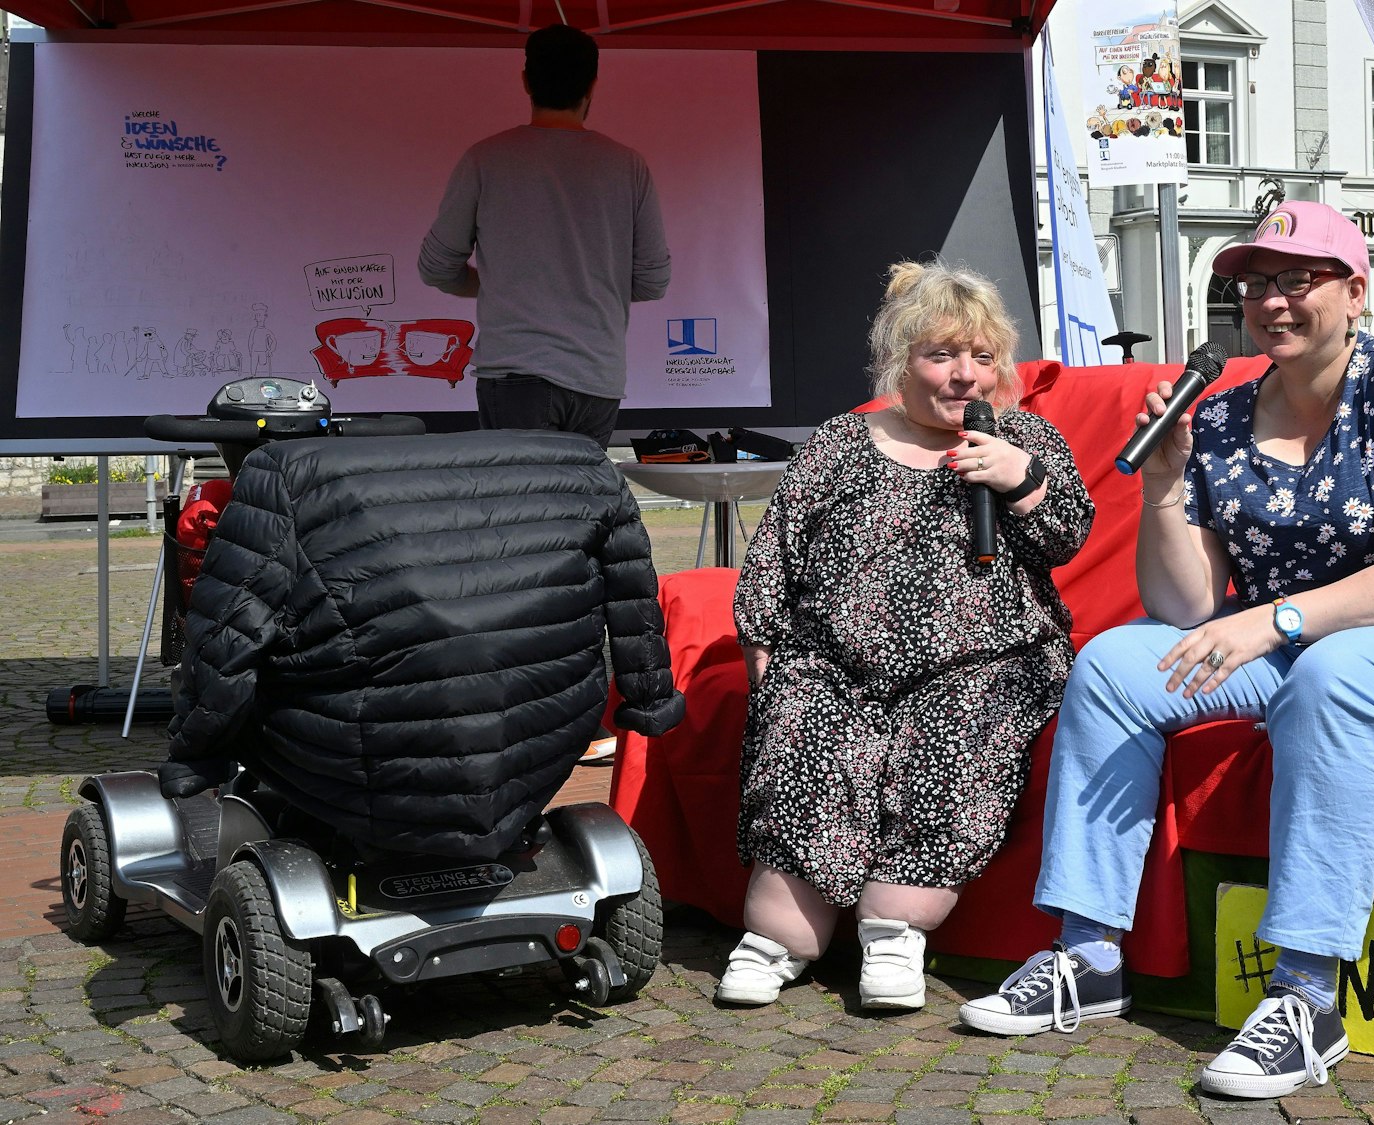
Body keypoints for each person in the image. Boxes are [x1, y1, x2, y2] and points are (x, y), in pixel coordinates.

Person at [958, 202, 1374, 1099]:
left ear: (1356, 291)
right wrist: (1169, 484)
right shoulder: (1217, 420)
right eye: (1256, 283)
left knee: (1337, 677)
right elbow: (1182, 603)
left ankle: (1305, 995)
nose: (1274, 301)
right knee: (1110, 668)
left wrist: (1276, 619)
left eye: (1299, 279)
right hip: (1318, 641)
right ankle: (1088, 951)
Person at [719, 261, 1095, 1013]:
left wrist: (1020, 480)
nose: (965, 377)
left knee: (960, 734)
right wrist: (765, 640)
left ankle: (894, 932)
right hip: (839, 660)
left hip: (984, 658)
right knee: (804, 726)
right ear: (901, 361)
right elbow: (777, 549)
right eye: (942, 356)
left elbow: (1068, 536)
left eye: (982, 358)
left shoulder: (1025, 438)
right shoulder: (842, 441)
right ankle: (775, 940)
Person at [161, 430, 684, 858]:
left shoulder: (279, 476)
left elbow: (227, 633)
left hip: (362, 748)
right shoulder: (588, 467)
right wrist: (648, 700)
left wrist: (198, 753)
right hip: (540, 733)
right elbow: (634, 600)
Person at [419, 23, 671, 449]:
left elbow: (437, 268)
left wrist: (493, 282)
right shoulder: (628, 166)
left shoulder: (486, 159)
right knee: (579, 509)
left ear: (525, 81)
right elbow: (652, 281)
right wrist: (586, 281)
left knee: (524, 511)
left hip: (516, 373)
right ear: (592, 84)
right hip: (597, 378)